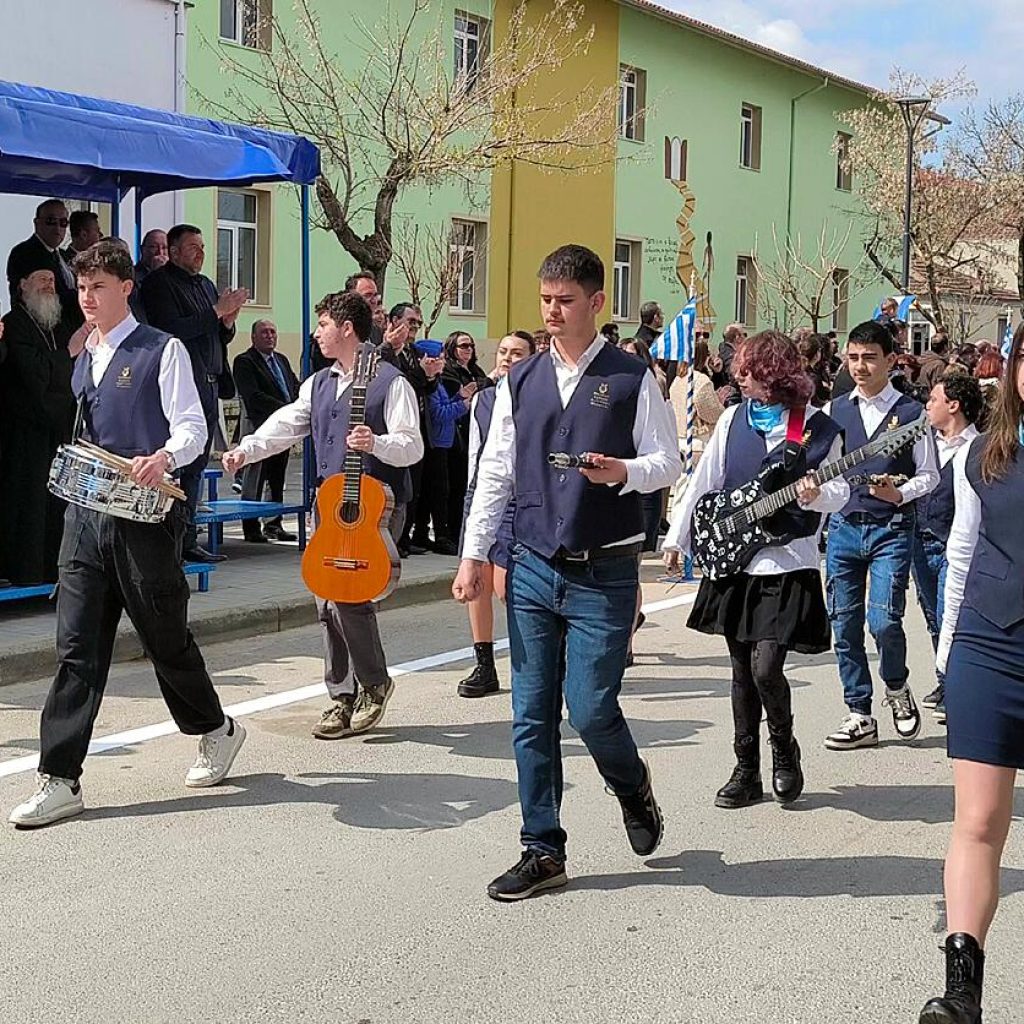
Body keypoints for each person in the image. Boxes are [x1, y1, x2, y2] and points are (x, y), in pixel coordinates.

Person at [454, 244, 682, 901]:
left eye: (566, 301)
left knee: (590, 708)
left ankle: (632, 786)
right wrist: (474, 554)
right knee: (530, 714)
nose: (552, 312)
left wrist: (624, 471)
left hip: (604, 568)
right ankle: (542, 848)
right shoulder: (519, 381)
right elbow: (495, 471)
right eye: (546, 300)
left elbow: (666, 462)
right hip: (530, 562)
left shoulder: (632, 378)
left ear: (596, 302)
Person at [7, 241, 246, 829]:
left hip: (145, 522)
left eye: (99, 288)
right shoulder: (83, 352)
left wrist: (164, 456)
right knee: (75, 650)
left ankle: (216, 729)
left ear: (125, 289)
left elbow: (193, 427)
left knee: (165, 641)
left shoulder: (162, 349)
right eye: (83, 288)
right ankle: (59, 778)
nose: (88, 299)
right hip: (85, 519)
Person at [224, 291, 422, 739]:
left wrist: (376, 443)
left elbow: (412, 446)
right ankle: (341, 695)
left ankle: (374, 683)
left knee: (348, 596)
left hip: (377, 504)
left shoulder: (391, 382)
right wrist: (247, 450)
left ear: (347, 329)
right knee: (325, 600)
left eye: (324, 325)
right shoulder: (318, 383)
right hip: (330, 506)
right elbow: (287, 423)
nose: (316, 333)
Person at [664, 331, 847, 809]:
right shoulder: (732, 418)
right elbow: (705, 481)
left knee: (767, 668)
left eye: (748, 371)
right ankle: (745, 769)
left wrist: (816, 494)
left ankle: (784, 749)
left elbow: (842, 491)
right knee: (741, 670)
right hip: (736, 562)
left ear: (774, 374)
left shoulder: (817, 427)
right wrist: (677, 538)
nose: (738, 378)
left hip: (788, 563)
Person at [917, 324, 1024, 1024]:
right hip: (990, 643)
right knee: (978, 820)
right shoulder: (984, 455)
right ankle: (962, 993)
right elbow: (960, 555)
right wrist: (947, 652)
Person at [823, 320, 939, 750]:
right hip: (843, 526)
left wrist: (900, 493)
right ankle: (859, 712)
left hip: (891, 527)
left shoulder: (911, 413)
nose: (860, 366)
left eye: (869, 358)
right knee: (844, 624)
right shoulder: (835, 410)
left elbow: (929, 474)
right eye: (853, 357)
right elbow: (822, 470)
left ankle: (896, 685)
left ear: (890, 360)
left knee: (885, 620)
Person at [142, 224, 248, 564]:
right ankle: (170, 541)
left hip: (210, 382)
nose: (200, 253)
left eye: (202, 246)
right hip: (183, 384)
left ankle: (188, 538)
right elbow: (171, 329)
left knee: (199, 463)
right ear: (173, 252)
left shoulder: (205, 285)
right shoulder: (159, 284)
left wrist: (227, 320)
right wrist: (216, 311)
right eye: (192, 247)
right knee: (179, 461)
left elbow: (217, 336)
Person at [456, 331, 535, 698]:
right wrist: (471, 500)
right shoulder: (483, 399)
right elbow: (476, 454)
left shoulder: (538, 397)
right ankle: (484, 665)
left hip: (520, 497)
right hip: (483, 494)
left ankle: (533, 661)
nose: (507, 358)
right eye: (503, 351)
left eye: (517, 353)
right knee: (478, 583)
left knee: (508, 587)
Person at [912, 375, 983, 727]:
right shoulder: (924, 444)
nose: (927, 406)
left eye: (933, 400)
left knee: (949, 615)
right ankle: (944, 679)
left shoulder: (977, 448)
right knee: (931, 616)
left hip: (952, 542)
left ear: (953, 405)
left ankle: (955, 688)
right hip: (920, 540)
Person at [0, 262, 76, 584]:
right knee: (27, 504)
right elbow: (33, 374)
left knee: (54, 505)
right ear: (23, 285)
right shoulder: (14, 323)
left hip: (56, 430)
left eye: (52, 280)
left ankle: (52, 570)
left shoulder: (57, 326)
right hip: (24, 433)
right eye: (41, 279)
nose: (49, 285)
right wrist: (68, 355)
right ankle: (26, 572)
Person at [232, 319, 300, 543]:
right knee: (255, 479)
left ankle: (273, 524)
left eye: (272, 332)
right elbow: (253, 397)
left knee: (276, 478)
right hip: (258, 428)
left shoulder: (281, 360)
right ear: (253, 337)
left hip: (281, 430)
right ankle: (250, 527)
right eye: (264, 332)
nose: (270, 336)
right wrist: (286, 409)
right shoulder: (244, 361)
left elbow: (294, 386)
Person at [443, 331, 490, 542]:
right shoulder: (448, 370)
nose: (468, 350)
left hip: (474, 431)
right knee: (455, 486)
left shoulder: (475, 370)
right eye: (463, 346)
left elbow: (486, 386)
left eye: (470, 345)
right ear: (452, 348)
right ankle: (452, 532)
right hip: (455, 434)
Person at [6, 199, 82, 327]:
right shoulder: (25, 252)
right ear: (37, 223)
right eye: (51, 221)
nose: (57, 228)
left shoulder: (63, 255)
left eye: (63, 222)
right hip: (39, 329)